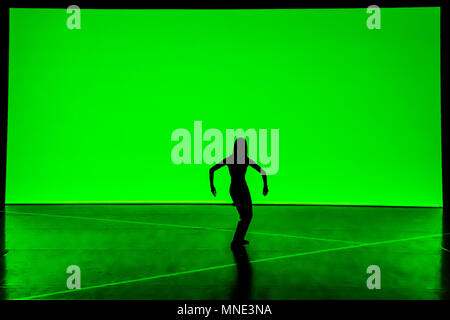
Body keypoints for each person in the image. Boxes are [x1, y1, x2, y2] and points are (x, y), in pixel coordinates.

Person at [209, 138, 268, 247]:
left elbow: (211, 170)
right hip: (240, 189)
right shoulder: (243, 159)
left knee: (247, 216)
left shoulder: (233, 159)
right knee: (246, 216)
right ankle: (236, 240)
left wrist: (212, 185)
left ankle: (239, 238)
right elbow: (262, 171)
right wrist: (265, 186)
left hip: (238, 189)